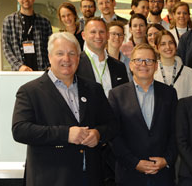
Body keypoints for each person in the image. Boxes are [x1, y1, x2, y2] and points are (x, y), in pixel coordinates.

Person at [12, 32, 118, 186]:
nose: (66, 59)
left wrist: (98, 134)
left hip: (90, 178)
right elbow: (20, 130)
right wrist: (66, 134)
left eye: (72, 53)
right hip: (50, 179)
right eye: (60, 53)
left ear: (78, 58)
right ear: (49, 57)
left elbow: (112, 125)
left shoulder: (93, 89)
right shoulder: (30, 91)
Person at [108, 43, 178, 185]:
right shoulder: (116, 94)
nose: (144, 64)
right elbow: (114, 135)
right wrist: (134, 163)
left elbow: (176, 131)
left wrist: (167, 159)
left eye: (149, 60)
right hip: (130, 174)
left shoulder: (169, 93)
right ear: (131, 65)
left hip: (162, 174)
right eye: (138, 60)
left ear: (156, 65)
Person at [2, 0, 52, 71]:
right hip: (20, 72)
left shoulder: (44, 22)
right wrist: (19, 66)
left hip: (42, 71)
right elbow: (6, 47)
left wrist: (50, 65)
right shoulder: (9, 21)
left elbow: (51, 47)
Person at [77, 17, 129, 97]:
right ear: (83, 35)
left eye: (102, 32)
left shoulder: (119, 67)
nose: (98, 36)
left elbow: (125, 98)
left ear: (107, 35)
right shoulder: (76, 64)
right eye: (93, 32)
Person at [153, 30, 192, 99]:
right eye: (163, 44)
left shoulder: (188, 72)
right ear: (156, 48)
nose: (168, 47)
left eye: (171, 43)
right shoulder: (152, 72)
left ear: (175, 46)